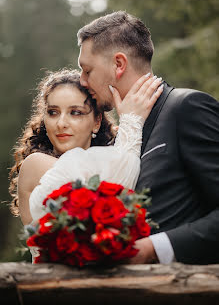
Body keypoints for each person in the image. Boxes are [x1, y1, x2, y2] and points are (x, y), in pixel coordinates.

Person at [77, 11, 219, 265]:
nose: (82, 81)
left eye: (87, 70)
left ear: (119, 64)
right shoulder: (118, 137)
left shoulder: (187, 108)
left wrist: (154, 247)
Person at [9, 68, 163, 228]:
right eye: (53, 112)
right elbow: (107, 192)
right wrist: (131, 121)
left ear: (97, 122)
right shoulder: (35, 165)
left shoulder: (108, 160)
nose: (61, 123)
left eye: (75, 112)